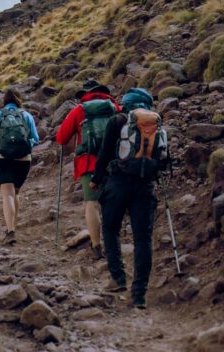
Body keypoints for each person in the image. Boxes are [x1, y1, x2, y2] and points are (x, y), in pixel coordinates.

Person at [92, 88, 166, 310]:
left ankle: (118, 278)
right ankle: (139, 294)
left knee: (110, 228)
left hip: (118, 182)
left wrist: (96, 179)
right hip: (145, 185)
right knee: (143, 238)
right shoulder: (156, 124)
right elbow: (163, 157)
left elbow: (105, 153)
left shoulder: (117, 121)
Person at [55, 79, 120, 260]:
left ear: (85, 94)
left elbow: (61, 138)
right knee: (111, 204)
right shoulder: (114, 107)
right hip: (113, 163)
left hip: (88, 164)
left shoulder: (79, 110)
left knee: (91, 204)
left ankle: (97, 246)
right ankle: (113, 245)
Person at [0, 88, 39, 245]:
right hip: (23, 159)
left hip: (3, 158)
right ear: (19, 100)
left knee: (7, 194)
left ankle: (10, 231)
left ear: (5, 100)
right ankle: (13, 225)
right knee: (15, 193)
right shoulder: (26, 115)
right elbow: (35, 138)